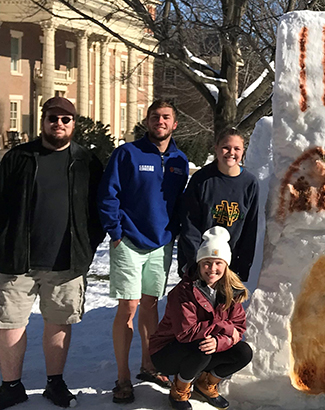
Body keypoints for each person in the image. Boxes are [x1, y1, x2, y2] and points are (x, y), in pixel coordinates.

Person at [0, 97, 105, 409]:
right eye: (52, 119)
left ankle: (54, 383)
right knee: (10, 323)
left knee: (58, 323)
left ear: (74, 123)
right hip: (17, 260)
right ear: (42, 121)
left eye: (65, 119)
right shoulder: (18, 158)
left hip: (66, 261)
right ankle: (11, 385)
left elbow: (97, 211)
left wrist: (87, 246)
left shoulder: (87, 162)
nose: (58, 124)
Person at [98, 99, 189, 403]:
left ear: (174, 124)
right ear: (147, 121)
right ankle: (123, 377)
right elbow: (108, 193)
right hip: (129, 241)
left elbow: (178, 202)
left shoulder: (179, 161)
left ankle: (149, 365)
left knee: (152, 306)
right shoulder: (128, 153)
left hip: (161, 244)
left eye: (166, 117)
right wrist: (116, 231)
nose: (160, 121)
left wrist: (172, 233)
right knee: (129, 306)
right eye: (155, 117)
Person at [150, 226, 253, 410]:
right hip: (168, 351)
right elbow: (186, 332)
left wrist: (219, 340)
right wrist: (225, 329)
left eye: (218, 263)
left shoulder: (231, 291)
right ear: (199, 263)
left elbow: (239, 327)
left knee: (243, 352)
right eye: (207, 262)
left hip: (204, 345)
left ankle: (206, 384)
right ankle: (179, 390)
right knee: (203, 347)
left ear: (226, 265)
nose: (212, 269)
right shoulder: (183, 291)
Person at [178, 128, 259, 281]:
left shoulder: (250, 183)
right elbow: (190, 224)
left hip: (229, 264)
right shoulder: (201, 180)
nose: (231, 152)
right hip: (201, 262)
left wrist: (243, 265)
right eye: (226, 147)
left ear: (243, 151)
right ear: (216, 148)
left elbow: (250, 229)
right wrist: (196, 262)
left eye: (237, 148)